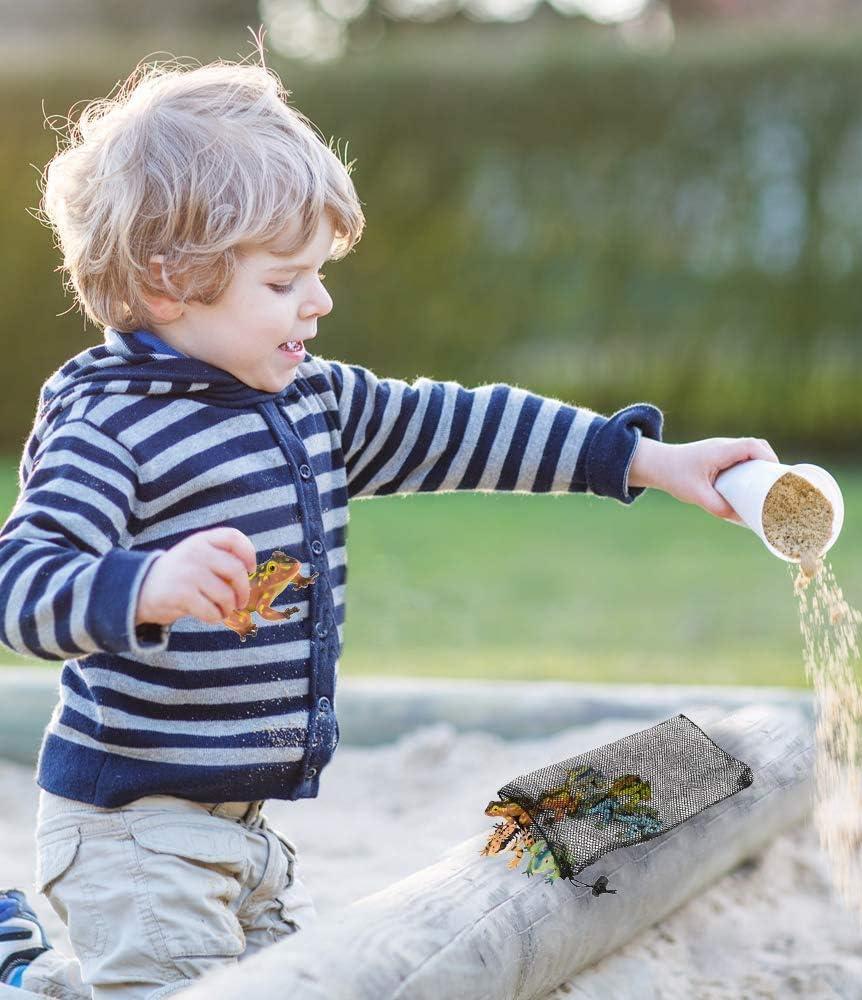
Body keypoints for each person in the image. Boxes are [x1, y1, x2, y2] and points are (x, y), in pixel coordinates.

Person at [0, 48, 779, 999]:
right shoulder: (108, 423)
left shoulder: (310, 403)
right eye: (284, 283)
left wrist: (646, 460)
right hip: (131, 829)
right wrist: (144, 586)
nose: (319, 302)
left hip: (241, 828)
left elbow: (465, 424)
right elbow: (23, 583)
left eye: (317, 274)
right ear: (171, 280)